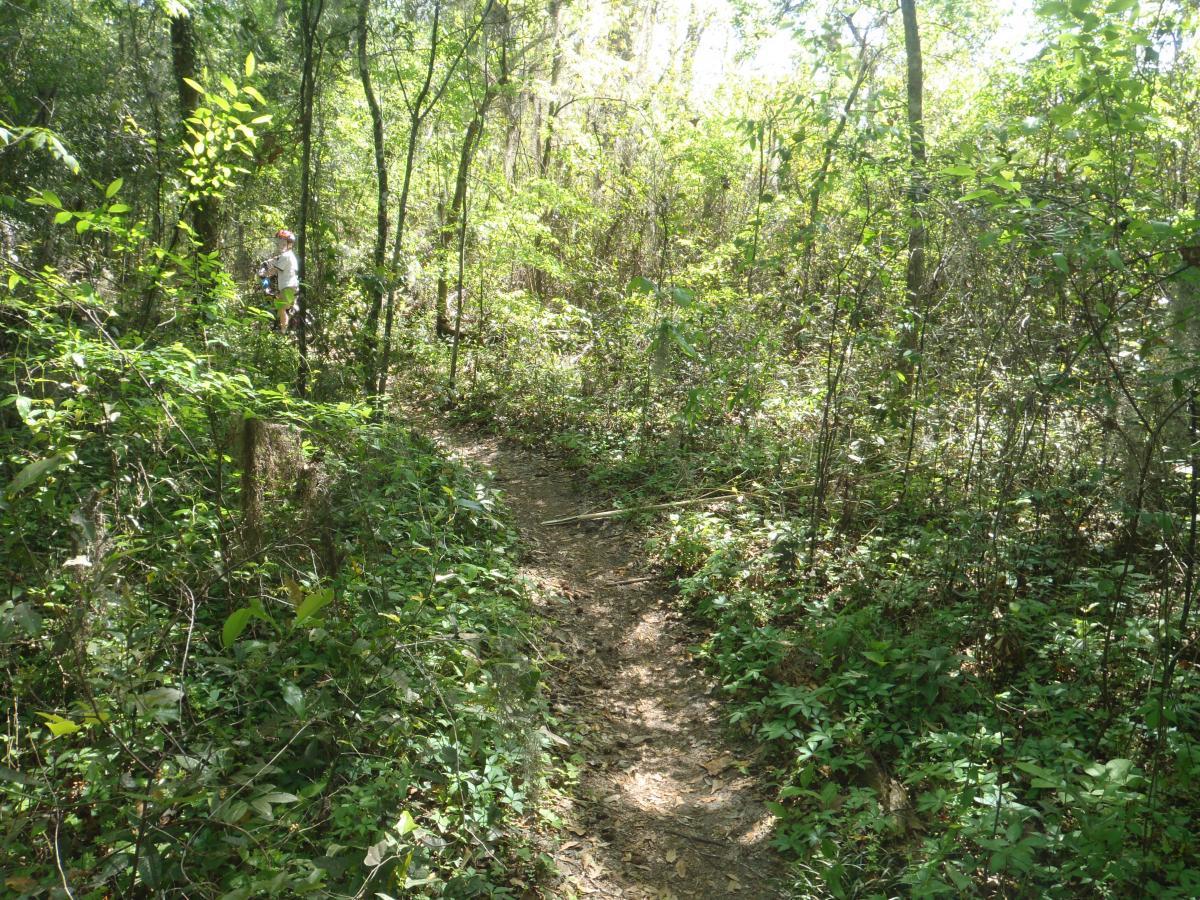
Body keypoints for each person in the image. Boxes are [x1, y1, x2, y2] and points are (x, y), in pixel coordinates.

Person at [265, 229, 299, 331]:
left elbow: (276, 270)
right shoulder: (289, 255)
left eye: (284, 242)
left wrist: (265, 274)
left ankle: (284, 331)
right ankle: (283, 326)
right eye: (280, 242)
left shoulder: (286, 256)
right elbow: (277, 260)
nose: (281, 244)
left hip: (287, 286)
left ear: (290, 244)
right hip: (289, 286)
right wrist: (272, 261)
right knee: (278, 304)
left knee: (282, 308)